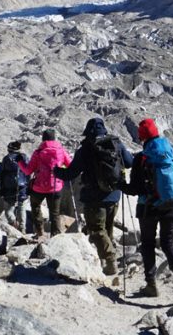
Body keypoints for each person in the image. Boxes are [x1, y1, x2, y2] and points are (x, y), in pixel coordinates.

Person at [54, 117, 134, 275]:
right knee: (107, 230)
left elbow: (71, 173)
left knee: (96, 230)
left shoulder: (85, 149)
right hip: (114, 194)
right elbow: (130, 162)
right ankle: (105, 261)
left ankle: (110, 260)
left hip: (94, 197)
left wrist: (56, 171)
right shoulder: (116, 143)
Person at [122, 118, 173, 299]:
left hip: (148, 207)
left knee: (148, 244)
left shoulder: (141, 158)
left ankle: (151, 285)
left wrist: (121, 185)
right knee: (168, 242)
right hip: (172, 204)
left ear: (142, 137)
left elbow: (135, 189)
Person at [19, 129, 71, 239]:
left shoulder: (38, 153)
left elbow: (28, 171)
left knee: (36, 207)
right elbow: (70, 165)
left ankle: (40, 233)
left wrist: (20, 162)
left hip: (39, 187)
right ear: (54, 139)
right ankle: (55, 237)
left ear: (43, 139)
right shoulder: (61, 151)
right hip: (55, 187)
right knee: (55, 213)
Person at [0, 141, 29, 230]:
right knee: (22, 207)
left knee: (8, 211)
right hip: (23, 187)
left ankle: (14, 224)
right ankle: (22, 228)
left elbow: (1, 174)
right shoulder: (25, 157)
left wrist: (1, 189)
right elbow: (29, 172)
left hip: (9, 188)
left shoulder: (6, 159)